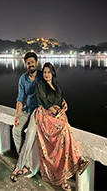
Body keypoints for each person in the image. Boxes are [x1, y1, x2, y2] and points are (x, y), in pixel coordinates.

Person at [34, 62, 89, 190]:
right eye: (45, 72)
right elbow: (44, 102)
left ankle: (67, 175)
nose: (46, 74)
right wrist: (57, 112)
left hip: (57, 115)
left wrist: (64, 104)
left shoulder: (56, 86)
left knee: (63, 145)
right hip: (45, 116)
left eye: (49, 72)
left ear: (53, 73)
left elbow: (59, 100)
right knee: (64, 128)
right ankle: (77, 161)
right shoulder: (40, 85)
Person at [10, 51, 43, 182]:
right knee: (16, 131)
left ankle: (19, 167)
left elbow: (53, 88)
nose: (30, 65)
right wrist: (17, 116)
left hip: (37, 112)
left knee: (30, 135)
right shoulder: (23, 79)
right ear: (26, 64)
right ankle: (26, 162)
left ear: (36, 63)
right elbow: (20, 99)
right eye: (28, 63)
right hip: (26, 110)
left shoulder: (42, 75)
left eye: (32, 62)